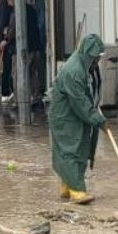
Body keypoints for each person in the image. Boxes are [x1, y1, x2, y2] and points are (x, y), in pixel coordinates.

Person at [48, 34, 106, 205]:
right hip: (66, 117)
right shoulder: (74, 71)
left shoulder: (84, 66)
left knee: (77, 147)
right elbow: (80, 103)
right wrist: (98, 120)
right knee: (71, 149)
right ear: (88, 54)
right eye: (95, 58)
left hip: (72, 116)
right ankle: (77, 191)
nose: (97, 62)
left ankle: (67, 185)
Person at [0, 0, 43, 104]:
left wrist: (5, 40)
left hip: (22, 48)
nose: (8, 3)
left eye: (9, 0)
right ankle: (35, 97)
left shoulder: (17, 12)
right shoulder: (31, 9)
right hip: (36, 47)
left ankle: (19, 100)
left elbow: (13, 29)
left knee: (17, 74)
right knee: (33, 74)